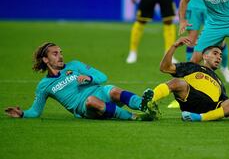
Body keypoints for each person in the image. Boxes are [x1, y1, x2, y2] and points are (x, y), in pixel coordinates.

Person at [5, 42, 157, 121]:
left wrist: (89, 78)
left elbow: (102, 77)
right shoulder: (44, 86)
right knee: (91, 101)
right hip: (85, 107)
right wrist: (23, 114)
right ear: (46, 59)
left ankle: (145, 105)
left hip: (99, 91)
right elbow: (35, 111)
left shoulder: (75, 65)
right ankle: (133, 117)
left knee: (113, 90)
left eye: (61, 53)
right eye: (55, 54)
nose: (60, 56)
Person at [148, 37, 229, 121]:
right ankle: (149, 101)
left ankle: (200, 118)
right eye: (215, 53)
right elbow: (164, 68)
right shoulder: (192, 66)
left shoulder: (219, 82)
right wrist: (174, 46)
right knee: (177, 82)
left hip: (211, 108)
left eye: (221, 55)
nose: (219, 57)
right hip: (189, 96)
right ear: (205, 56)